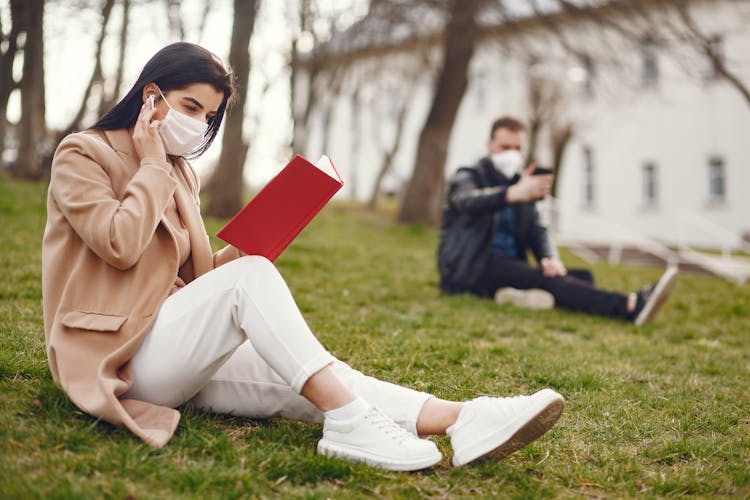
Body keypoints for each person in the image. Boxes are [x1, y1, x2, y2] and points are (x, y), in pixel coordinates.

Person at [42, 43, 565, 471]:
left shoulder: (179, 173)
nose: (200, 124)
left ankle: (464, 419)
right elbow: (119, 243)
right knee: (255, 285)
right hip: (117, 358)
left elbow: (192, 281)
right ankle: (352, 426)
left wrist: (251, 244)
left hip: (171, 343)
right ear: (151, 97)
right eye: (190, 107)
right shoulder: (84, 153)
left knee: (321, 380)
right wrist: (153, 164)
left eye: (210, 114)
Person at [438, 116, 678, 325]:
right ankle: (629, 305)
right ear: (489, 146)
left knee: (581, 277)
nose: (511, 153)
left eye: (517, 147)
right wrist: (511, 194)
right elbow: (466, 201)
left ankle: (517, 294)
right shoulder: (468, 176)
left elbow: (537, 229)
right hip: (471, 267)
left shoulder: (522, 184)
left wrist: (548, 257)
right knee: (551, 282)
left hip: (510, 265)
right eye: (504, 147)